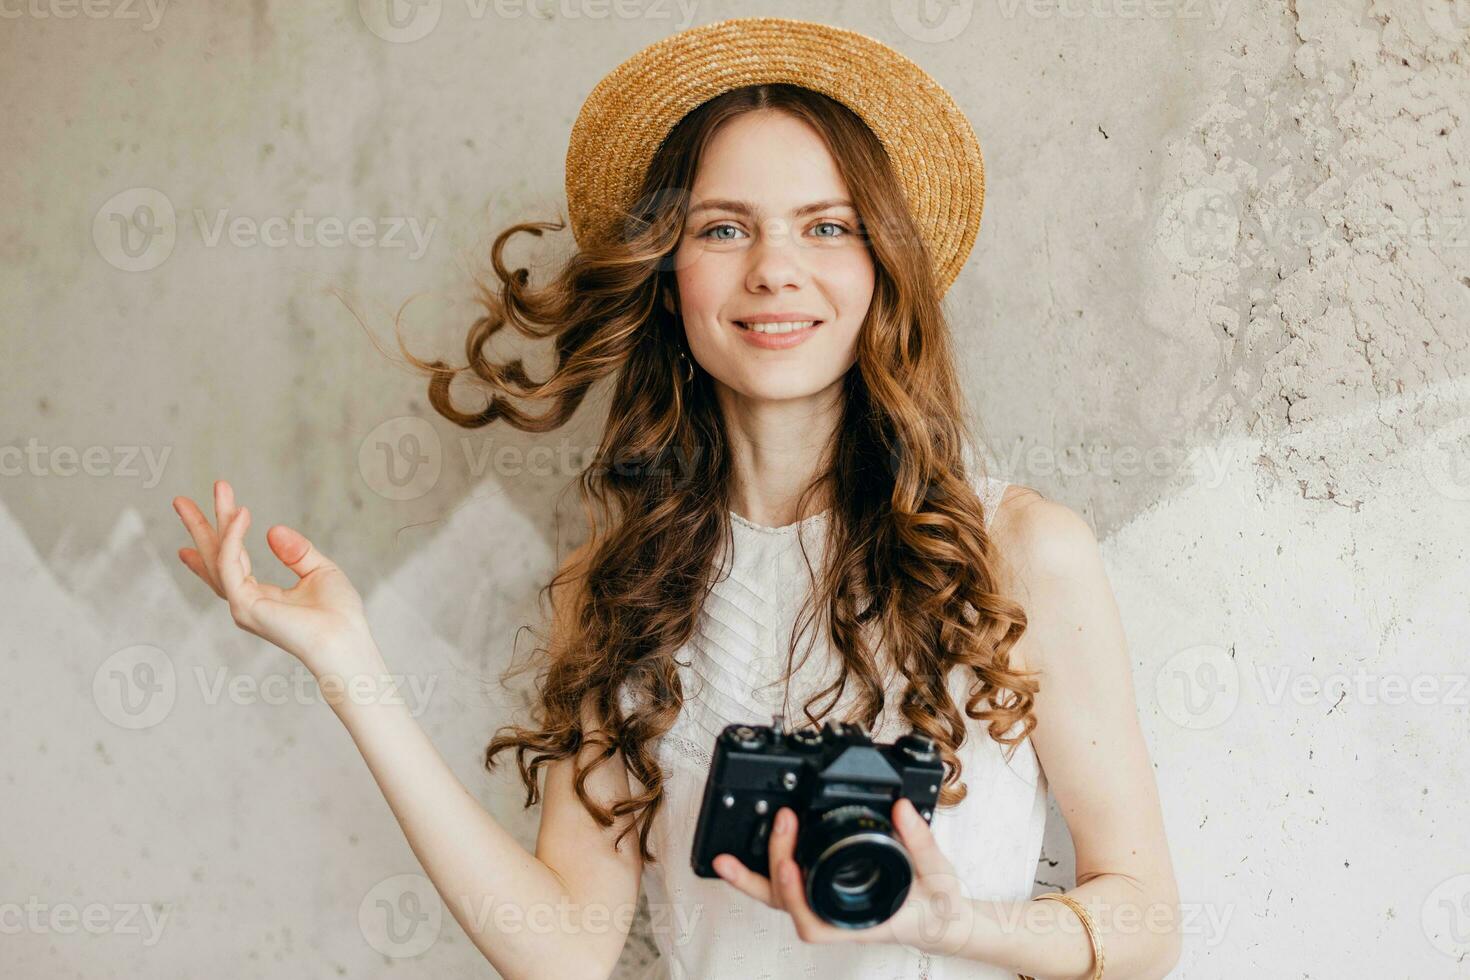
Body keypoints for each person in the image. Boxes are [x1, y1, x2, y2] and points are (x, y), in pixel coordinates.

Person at [170, 17, 1180, 980]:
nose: (775, 270)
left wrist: (957, 923)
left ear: (881, 267)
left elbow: (1146, 915)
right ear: (669, 274)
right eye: (724, 227)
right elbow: (560, 949)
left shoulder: (1015, 550)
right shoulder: (618, 588)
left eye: (827, 226)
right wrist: (349, 665)